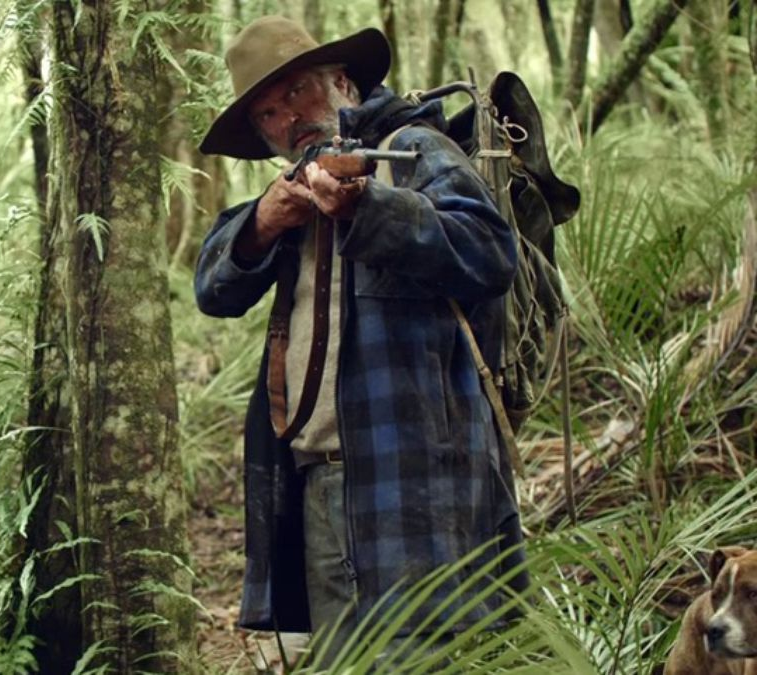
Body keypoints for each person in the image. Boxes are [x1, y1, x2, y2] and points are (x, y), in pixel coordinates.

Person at [195, 15, 528, 666]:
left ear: (343, 84)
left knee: (424, 657)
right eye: (268, 114)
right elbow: (213, 288)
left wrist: (367, 207)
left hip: (419, 482)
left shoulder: (415, 148)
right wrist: (263, 223)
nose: (289, 119)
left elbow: (491, 254)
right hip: (320, 486)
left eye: (297, 92)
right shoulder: (287, 196)